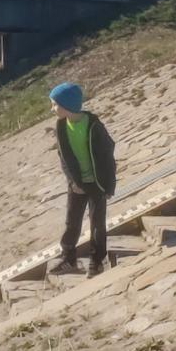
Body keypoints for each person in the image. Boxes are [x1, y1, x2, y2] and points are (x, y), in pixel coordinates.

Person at [48, 82, 116, 278]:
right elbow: (64, 159)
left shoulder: (94, 126)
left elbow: (107, 155)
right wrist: (73, 182)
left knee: (97, 224)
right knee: (72, 222)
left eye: (55, 104)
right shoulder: (61, 126)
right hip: (76, 184)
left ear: (67, 105)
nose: (52, 109)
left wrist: (108, 186)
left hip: (97, 184)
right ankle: (68, 258)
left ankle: (97, 262)